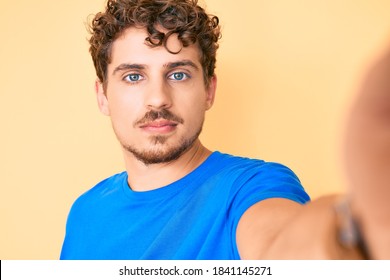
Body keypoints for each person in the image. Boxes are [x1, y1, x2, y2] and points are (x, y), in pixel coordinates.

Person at [60, 0, 389, 260]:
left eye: (178, 74)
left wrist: (359, 235)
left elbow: (280, 247)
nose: (158, 97)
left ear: (209, 91)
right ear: (103, 96)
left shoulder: (251, 188)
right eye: (133, 76)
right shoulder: (84, 212)